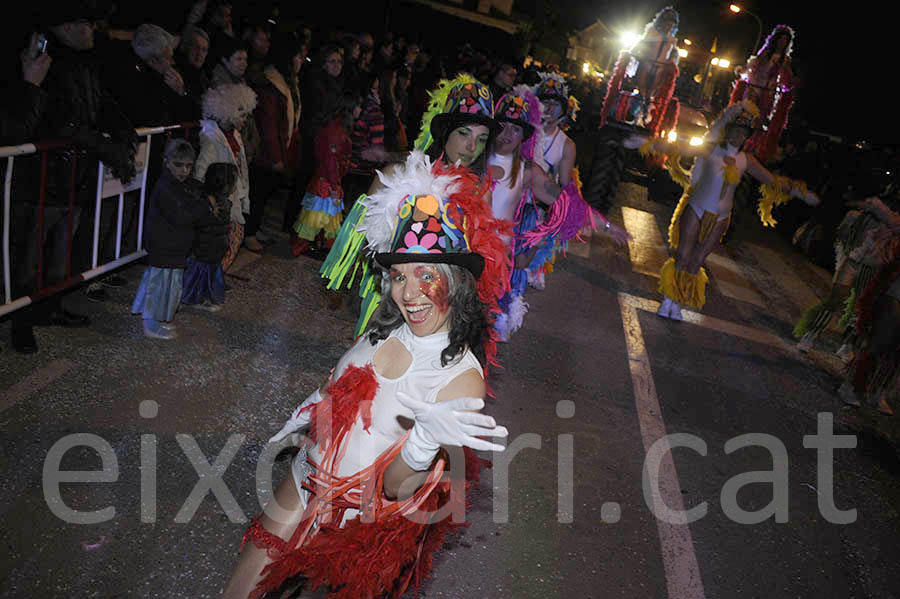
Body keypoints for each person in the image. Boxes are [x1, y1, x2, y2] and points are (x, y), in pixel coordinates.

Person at [223, 150, 510, 599]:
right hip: (305, 482)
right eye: (398, 276)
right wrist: (310, 411)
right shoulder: (387, 324)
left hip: (358, 531)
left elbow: (397, 488)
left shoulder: (459, 378)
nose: (408, 292)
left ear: (455, 281)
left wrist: (422, 443)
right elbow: (340, 386)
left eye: (425, 275)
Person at [625, 100, 820, 320]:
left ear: (747, 137)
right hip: (697, 208)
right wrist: (647, 143)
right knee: (683, 255)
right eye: (735, 130)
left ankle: (678, 302)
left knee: (697, 261)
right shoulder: (711, 149)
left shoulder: (747, 160)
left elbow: (773, 181)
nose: (737, 135)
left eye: (742, 132)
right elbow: (677, 146)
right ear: (728, 131)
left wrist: (801, 193)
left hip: (720, 218)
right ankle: (668, 299)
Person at [488, 85, 628, 340]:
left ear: (524, 136)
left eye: (516, 128)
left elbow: (569, 205)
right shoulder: (472, 158)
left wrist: (607, 226)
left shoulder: (527, 171)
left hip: (496, 266)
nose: (508, 134)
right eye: (503, 125)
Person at [132, 139, 208, 339]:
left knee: (164, 284)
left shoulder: (177, 185)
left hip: (172, 245)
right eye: (179, 165)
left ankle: (155, 319)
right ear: (166, 162)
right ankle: (151, 322)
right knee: (159, 286)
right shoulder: (166, 187)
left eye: (188, 166)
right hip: (164, 245)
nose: (184, 170)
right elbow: (180, 216)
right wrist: (203, 207)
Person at [838, 197, 900, 414]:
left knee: (896, 354)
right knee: (879, 342)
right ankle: (851, 386)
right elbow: (892, 221)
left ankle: (879, 393)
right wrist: (875, 205)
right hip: (896, 293)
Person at [248, 36, 304, 256]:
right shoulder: (271, 85)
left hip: (281, 147)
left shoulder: (288, 82)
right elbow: (268, 124)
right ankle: (249, 233)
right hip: (266, 152)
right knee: (258, 193)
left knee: (266, 191)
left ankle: (256, 229)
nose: (301, 60)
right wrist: (276, 157)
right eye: (298, 56)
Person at [195, 83, 256, 272]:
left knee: (232, 240)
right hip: (220, 200)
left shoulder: (234, 134)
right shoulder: (212, 138)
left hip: (233, 195)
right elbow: (201, 170)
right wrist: (207, 201)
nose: (246, 119)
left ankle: (215, 277)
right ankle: (212, 278)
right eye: (242, 114)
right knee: (225, 242)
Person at [290, 93, 359, 257]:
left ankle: (316, 246)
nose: (360, 109)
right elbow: (330, 161)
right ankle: (309, 247)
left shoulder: (334, 127)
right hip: (326, 184)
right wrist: (335, 185)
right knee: (318, 218)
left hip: (324, 181)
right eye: (358, 105)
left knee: (319, 217)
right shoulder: (336, 132)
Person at [731, 25, 796, 162]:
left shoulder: (785, 60)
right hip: (754, 88)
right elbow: (752, 67)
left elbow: (787, 83)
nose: (782, 42)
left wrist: (783, 74)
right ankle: (736, 143)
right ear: (775, 39)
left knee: (759, 123)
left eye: (785, 40)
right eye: (780, 39)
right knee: (745, 117)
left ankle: (750, 149)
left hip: (768, 94)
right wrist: (742, 71)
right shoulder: (765, 53)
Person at [181, 162, 236, 311]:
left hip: (210, 250)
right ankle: (193, 298)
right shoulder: (213, 202)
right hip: (204, 249)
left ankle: (200, 297)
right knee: (198, 277)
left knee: (203, 276)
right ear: (224, 185)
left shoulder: (207, 198)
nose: (234, 187)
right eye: (233, 182)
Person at [629, 6, 680, 126]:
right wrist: (636, 52)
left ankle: (644, 116)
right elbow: (642, 45)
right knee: (642, 90)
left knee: (650, 94)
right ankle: (634, 115)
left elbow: (673, 54)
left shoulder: (673, 40)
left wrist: (672, 61)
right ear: (661, 22)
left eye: (671, 24)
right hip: (647, 64)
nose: (669, 26)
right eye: (667, 22)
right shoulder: (652, 33)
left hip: (660, 69)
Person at [175, 25, 211, 119]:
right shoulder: (175, 73)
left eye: (204, 50)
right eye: (196, 47)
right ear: (184, 47)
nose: (199, 54)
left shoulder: (204, 76)